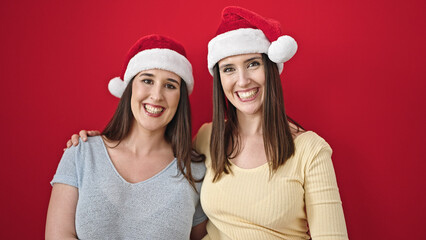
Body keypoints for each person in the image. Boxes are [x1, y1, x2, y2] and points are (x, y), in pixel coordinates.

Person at [66, 6, 348, 240]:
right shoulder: (207, 138)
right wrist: (95, 144)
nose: (242, 80)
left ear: (271, 67)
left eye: (253, 63)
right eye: (228, 69)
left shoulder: (310, 151)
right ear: (219, 78)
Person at [46, 35, 207, 240]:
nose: (157, 95)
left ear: (180, 97)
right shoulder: (82, 152)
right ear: (130, 87)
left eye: (170, 85)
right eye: (147, 80)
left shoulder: (195, 172)